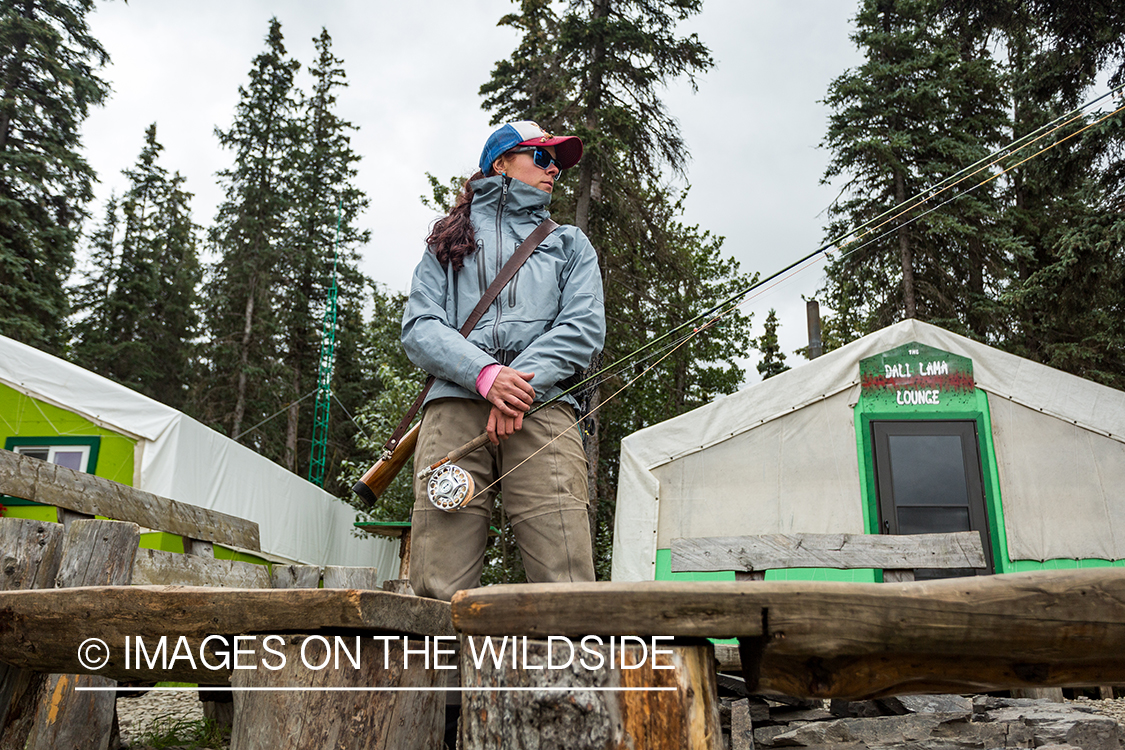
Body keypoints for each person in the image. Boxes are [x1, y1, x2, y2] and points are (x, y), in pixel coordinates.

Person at [401, 121, 605, 601]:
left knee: (567, 580)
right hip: (454, 407)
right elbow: (419, 327)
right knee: (437, 586)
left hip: (542, 407)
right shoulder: (446, 243)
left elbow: (583, 329)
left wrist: (513, 387)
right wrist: (485, 374)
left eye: (557, 161)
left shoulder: (570, 244)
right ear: (501, 163)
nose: (554, 168)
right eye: (542, 156)